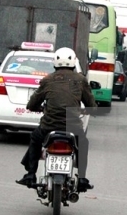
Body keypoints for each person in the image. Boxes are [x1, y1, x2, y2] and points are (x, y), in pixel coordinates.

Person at [16, 47, 97, 192]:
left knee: (35, 138)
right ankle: (82, 178)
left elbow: (32, 104)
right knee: (83, 144)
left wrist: (38, 108)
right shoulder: (81, 80)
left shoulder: (47, 80)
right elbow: (91, 105)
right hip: (73, 128)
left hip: (48, 127)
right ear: (73, 62)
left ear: (55, 63)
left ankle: (30, 174)